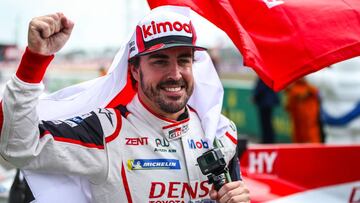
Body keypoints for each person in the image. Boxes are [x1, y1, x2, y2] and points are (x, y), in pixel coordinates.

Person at [0, 7, 250, 203]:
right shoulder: (107, 132)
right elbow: (18, 147)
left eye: (184, 60)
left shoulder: (220, 132)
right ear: (134, 71)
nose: (175, 74)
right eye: (160, 61)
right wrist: (35, 60)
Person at [285, 78, 322, 143]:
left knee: (311, 129)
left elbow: (316, 91)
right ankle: (299, 149)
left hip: (309, 110)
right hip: (296, 109)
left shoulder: (312, 81)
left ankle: (314, 148)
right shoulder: (293, 87)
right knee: (298, 130)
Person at [252, 78, 280, 143]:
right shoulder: (269, 76)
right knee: (268, 123)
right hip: (268, 102)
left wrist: (255, 97)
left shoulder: (263, 77)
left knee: (266, 123)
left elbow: (261, 89)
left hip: (264, 103)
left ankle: (267, 140)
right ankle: (269, 140)